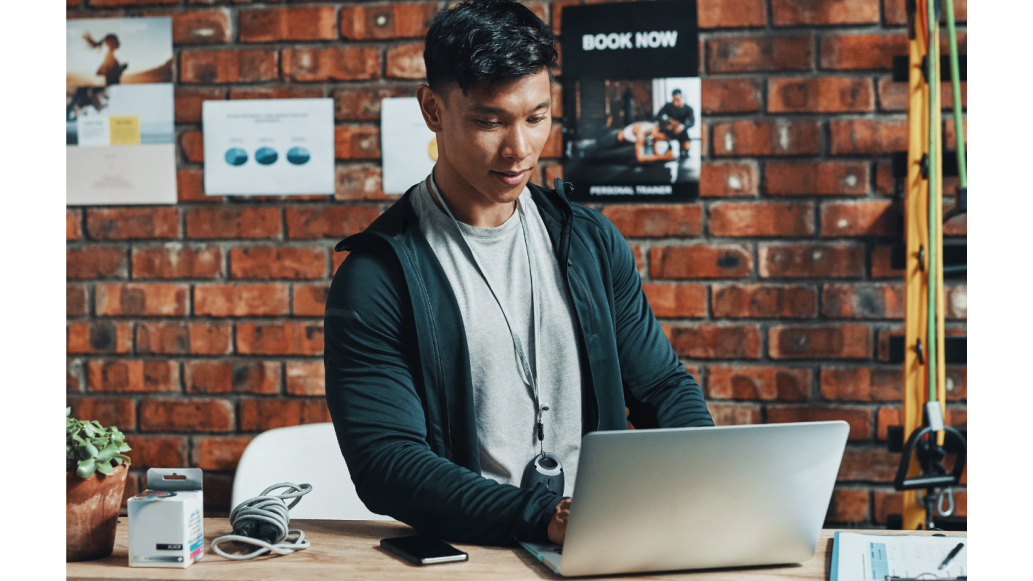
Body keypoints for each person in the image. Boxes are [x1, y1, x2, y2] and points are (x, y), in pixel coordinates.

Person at [324, 0, 712, 548]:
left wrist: (711, 475)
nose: (520, 149)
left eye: (536, 117)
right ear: (433, 110)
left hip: (604, 540)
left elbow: (663, 388)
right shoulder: (378, 275)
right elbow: (386, 463)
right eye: (489, 121)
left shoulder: (590, 242)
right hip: (475, 552)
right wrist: (543, 516)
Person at [656, 88, 695, 153]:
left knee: (686, 147)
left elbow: (692, 122)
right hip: (669, 131)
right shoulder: (668, 106)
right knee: (659, 137)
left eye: (678, 99)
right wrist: (668, 121)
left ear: (681, 97)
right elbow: (658, 116)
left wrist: (682, 126)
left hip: (682, 131)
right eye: (675, 99)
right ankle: (668, 147)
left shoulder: (688, 109)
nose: (676, 101)